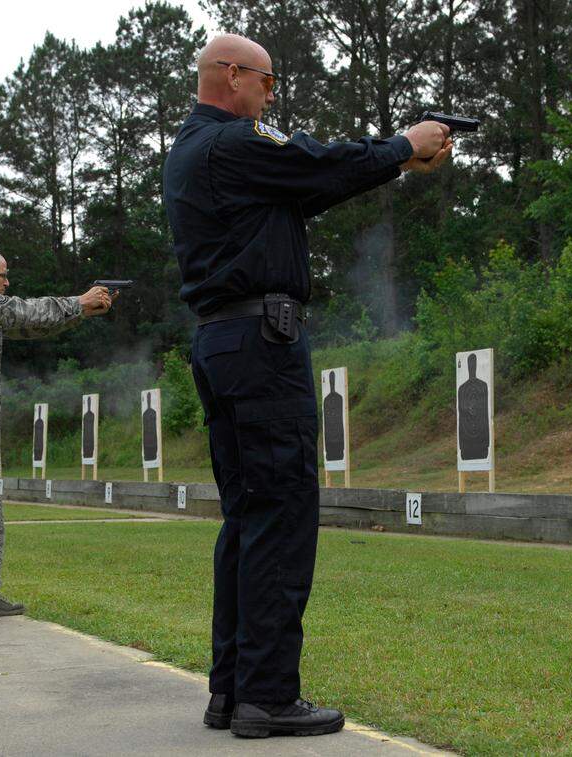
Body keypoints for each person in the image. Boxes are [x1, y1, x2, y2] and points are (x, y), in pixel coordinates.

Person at [162, 34, 453, 738]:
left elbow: (311, 183)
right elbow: (318, 161)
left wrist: (395, 159)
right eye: (266, 80)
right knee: (282, 513)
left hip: (222, 340)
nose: (272, 94)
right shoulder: (239, 140)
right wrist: (401, 142)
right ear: (232, 76)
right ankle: (266, 693)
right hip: (262, 342)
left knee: (247, 518)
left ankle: (232, 690)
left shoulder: (193, 153)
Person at [0, 250, 114, 625]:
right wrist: (79, 301)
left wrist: (79, 312)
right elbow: (24, 312)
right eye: (2, 276)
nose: (7, 282)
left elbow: (31, 327)